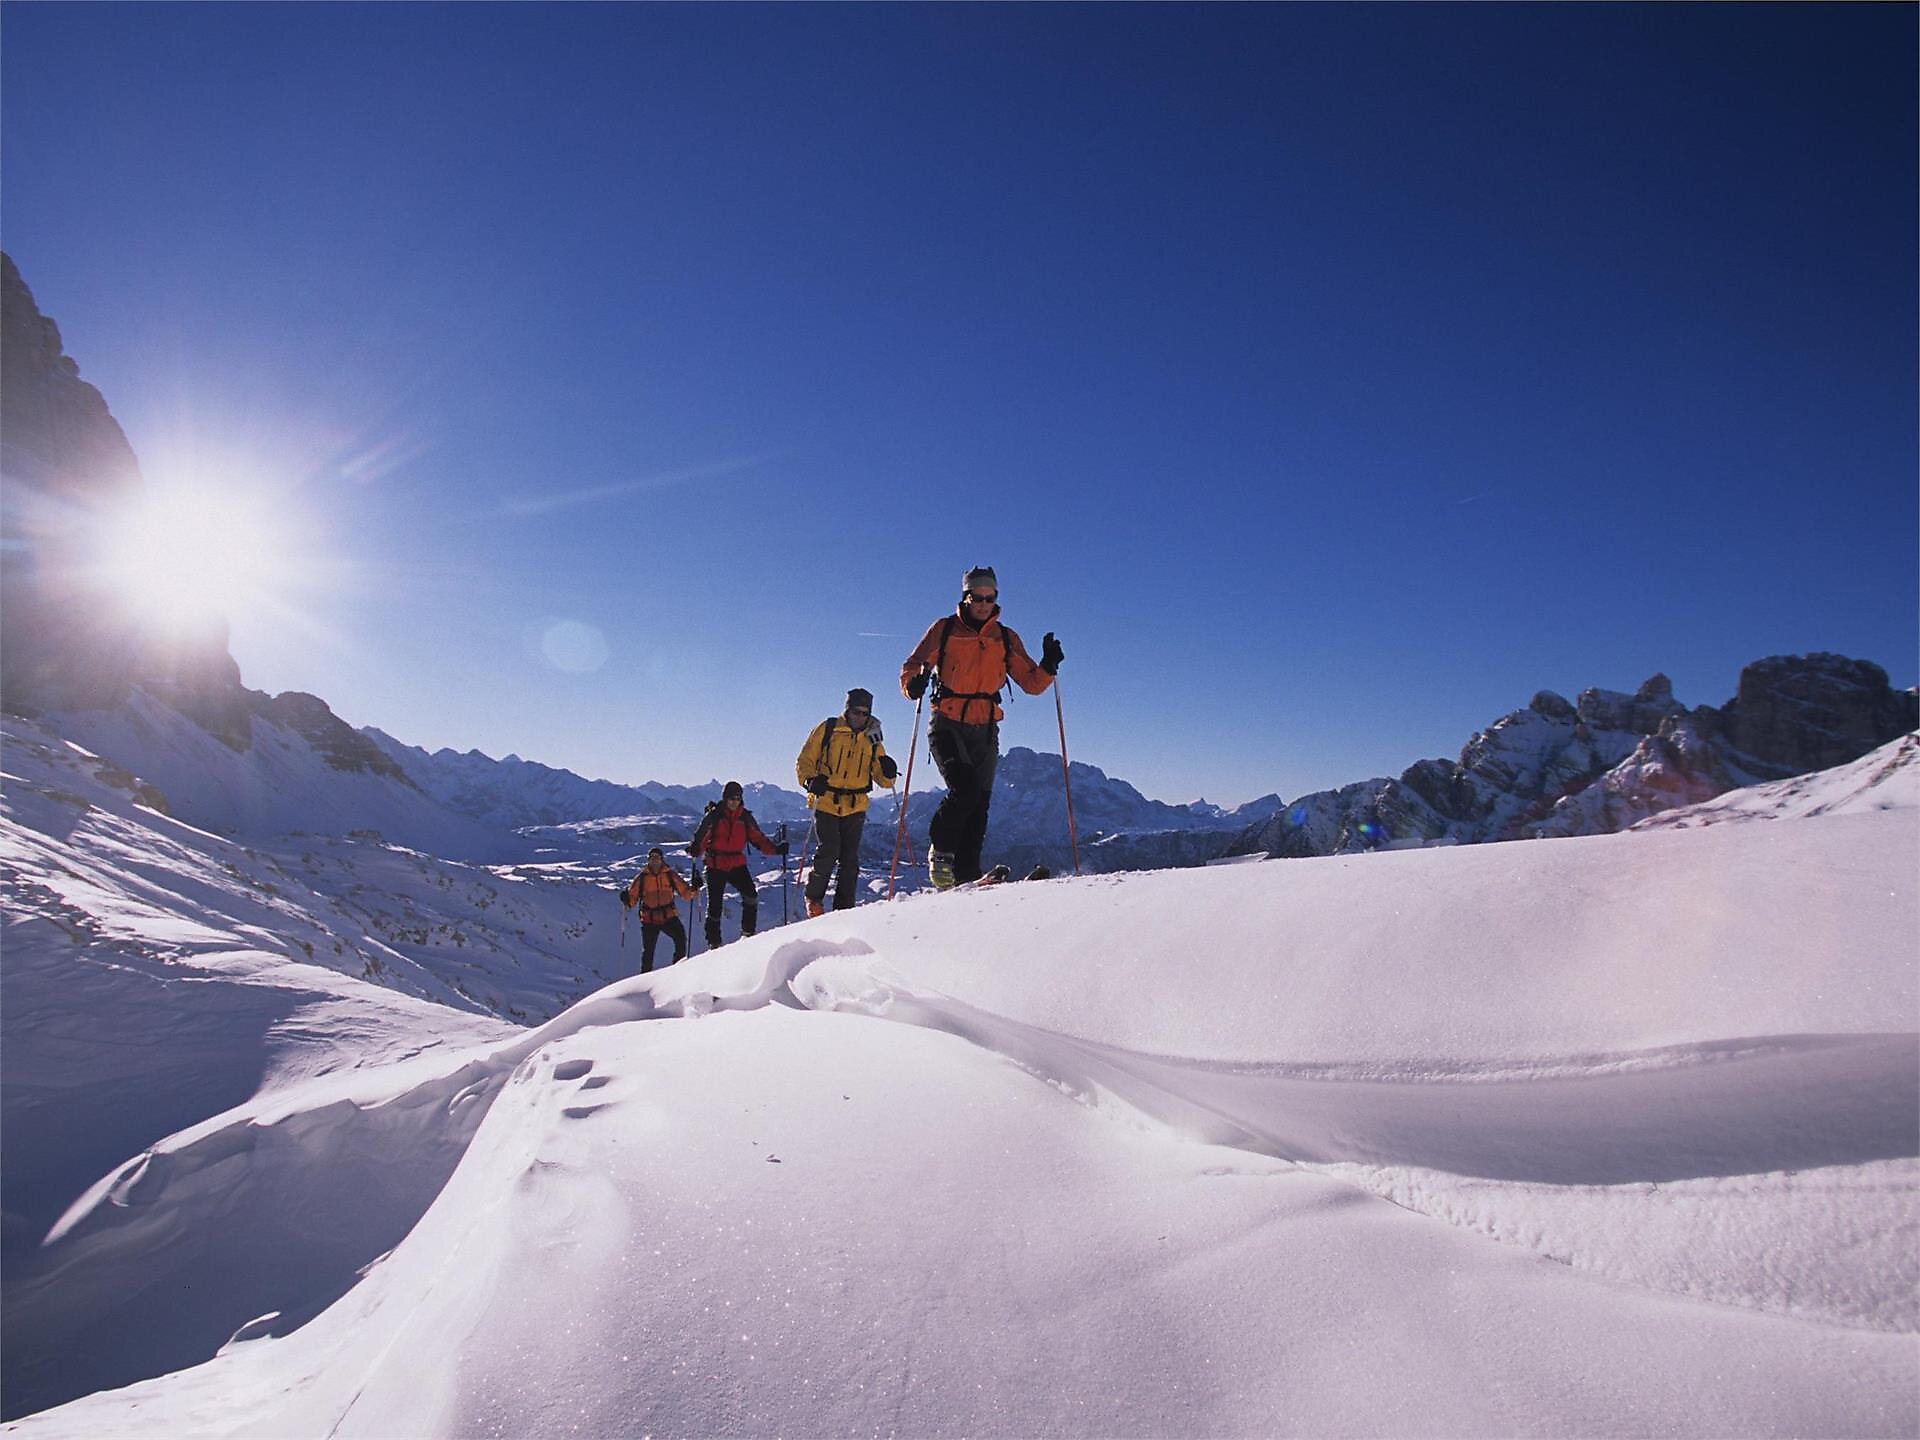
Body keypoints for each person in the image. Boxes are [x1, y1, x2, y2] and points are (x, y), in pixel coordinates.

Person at [899, 565, 1062, 889]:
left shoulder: (1004, 637)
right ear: (966, 596)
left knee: (980, 802)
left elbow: (1031, 683)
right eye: (978, 597)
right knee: (965, 790)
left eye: (991, 597)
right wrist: (912, 685)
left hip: (985, 727)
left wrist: (1048, 665)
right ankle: (941, 854)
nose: (985, 604)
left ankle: (967, 873)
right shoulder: (945, 629)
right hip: (946, 723)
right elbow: (913, 666)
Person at [795, 687, 899, 917]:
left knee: (850, 859)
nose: (860, 717)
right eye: (856, 712)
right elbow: (805, 760)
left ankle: (844, 910)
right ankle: (814, 899)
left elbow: (883, 780)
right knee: (829, 850)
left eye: (865, 713)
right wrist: (809, 780)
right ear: (847, 710)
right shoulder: (828, 729)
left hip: (856, 804)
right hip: (826, 800)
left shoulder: (873, 738)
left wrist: (889, 772)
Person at [689, 780, 784, 948]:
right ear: (725, 799)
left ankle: (748, 934)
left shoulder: (745, 817)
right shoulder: (714, 816)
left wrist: (776, 850)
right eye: (731, 798)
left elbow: (758, 839)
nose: (734, 802)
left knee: (751, 896)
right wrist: (696, 849)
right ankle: (714, 943)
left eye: (737, 798)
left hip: (736, 862)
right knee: (715, 907)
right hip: (715, 864)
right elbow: (702, 837)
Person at [621, 847, 696, 973]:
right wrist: (626, 899)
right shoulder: (642, 878)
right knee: (648, 953)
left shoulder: (669, 875)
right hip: (650, 919)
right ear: (648, 860)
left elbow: (686, 894)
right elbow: (632, 901)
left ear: (662, 860)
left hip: (668, 917)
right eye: (652, 858)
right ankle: (646, 978)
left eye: (657, 858)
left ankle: (678, 971)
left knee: (680, 940)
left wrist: (694, 888)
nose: (655, 861)